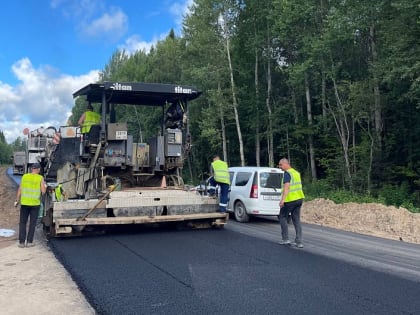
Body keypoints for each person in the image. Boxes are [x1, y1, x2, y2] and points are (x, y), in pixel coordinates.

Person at [14, 163, 47, 248]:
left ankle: (21, 242)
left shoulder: (25, 176)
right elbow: (43, 191)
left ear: (32, 169)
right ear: (38, 169)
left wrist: (17, 200)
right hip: (35, 204)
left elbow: (20, 189)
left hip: (24, 203)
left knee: (22, 223)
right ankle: (29, 242)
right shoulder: (40, 178)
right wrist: (45, 186)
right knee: (32, 223)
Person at [278, 158, 305, 248]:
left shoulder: (287, 174)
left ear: (286, 164)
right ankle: (299, 241)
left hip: (290, 200)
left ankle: (285, 239)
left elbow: (287, 187)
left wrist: (282, 200)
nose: (280, 167)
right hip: (299, 199)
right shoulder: (296, 173)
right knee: (296, 219)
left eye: (281, 165)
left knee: (282, 217)